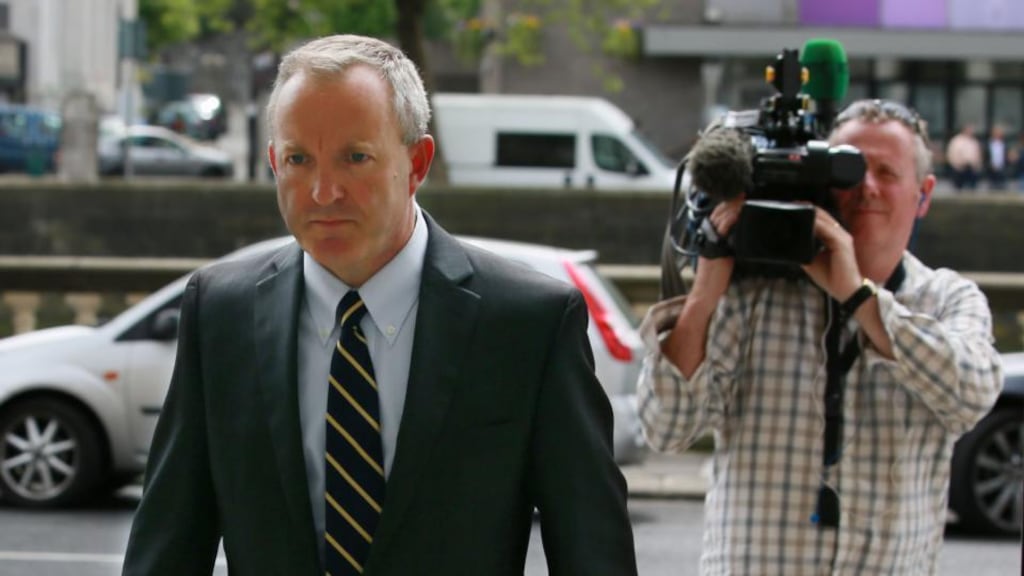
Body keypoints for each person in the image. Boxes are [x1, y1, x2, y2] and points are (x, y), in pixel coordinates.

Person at [122, 34, 637, 576]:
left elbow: (593, 553)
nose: (323, 192)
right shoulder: (219, 313)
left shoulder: (527, 324)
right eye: (299, 159)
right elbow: (167, 546)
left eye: (355, 158)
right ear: (274, 162)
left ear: (417, 163)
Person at [638, 99, 1003, 574]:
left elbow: (971, 396)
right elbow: (664, 429)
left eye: (887, 172)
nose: (866, 187)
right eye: (849, 169)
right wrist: (705, 293)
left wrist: (857, 296)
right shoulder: (754, 295)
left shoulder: (948, 298)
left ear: (924, 194)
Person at [945, 123, 982, 191]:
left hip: (971, 167)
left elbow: (977, 154)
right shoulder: (956, 141)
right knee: (958, 188)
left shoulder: (974, 141)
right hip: (959, 168)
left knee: (972, 187)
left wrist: (976, 165)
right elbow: (952, 154)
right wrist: (957, 165)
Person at [985, 123, 1009, 190]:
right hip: (991, 168)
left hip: (1002, 168)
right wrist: (989, 165)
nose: (998, 135)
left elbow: (1006, 156)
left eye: (999, 133)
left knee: (1002, 187)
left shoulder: (1004, 144)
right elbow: (986, 157)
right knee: (992, 187)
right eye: (996, 133)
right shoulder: (988, 144)